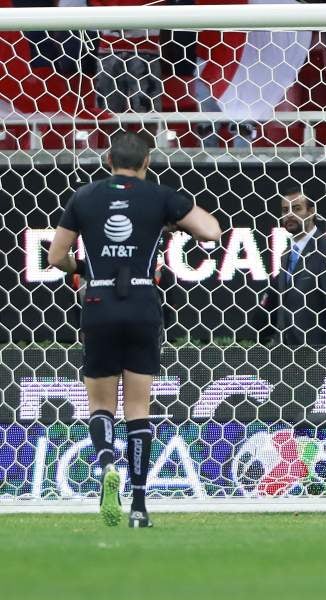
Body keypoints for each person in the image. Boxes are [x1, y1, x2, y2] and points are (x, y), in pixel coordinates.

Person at [47, 131, 221, 528]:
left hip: (99, 302)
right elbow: (211, 231)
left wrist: (84, 269)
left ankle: (108, 464)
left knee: (101, 404)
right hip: (142, 301)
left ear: (107, 160)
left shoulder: (85, 196)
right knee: (138, 408)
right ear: (147, 162)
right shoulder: (159, 195)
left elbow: (57, 256)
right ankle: (140, 505)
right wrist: (169, 223)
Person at [254, 187, 326, 346]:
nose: (289, 215)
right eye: (285, 210)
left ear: (311, 211)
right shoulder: (286, 254)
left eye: (296, 209)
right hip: (286, 351)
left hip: (315, 353)